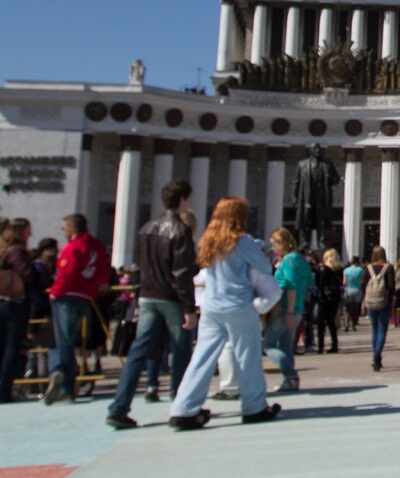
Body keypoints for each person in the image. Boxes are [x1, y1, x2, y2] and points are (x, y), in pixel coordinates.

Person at [169, 198, 281, 429]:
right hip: (238, 305)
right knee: (247, 357)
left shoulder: (207, 241)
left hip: (211, 307)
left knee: (201, 358)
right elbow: (264, 266)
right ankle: (254, 406)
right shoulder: (241, 241)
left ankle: (183, 408)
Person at [106, 180, 199, 428]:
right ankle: (182, 407)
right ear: (182, 200)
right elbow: (182, 273)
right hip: (170, 298)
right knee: (181, 351)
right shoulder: (179, 231)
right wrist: (189, 307)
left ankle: (119, 406)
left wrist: (137, 297)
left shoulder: (146, 228)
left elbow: (139, 266)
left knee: (139, 351)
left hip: (147, 296)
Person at [44, 213, 110, 405]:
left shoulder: (73, 248)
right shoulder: (96, 246)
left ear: (72, 229)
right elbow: (103, 271)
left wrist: (55, 292)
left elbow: (67, 272)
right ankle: (60, 374)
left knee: (63, 341)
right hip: (86, 297)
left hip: (67, 297)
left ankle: (63, 381)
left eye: (64, 228)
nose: (63, 231)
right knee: (67, 340)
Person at [263, 228, 313, 392]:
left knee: (268, 345)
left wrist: (290, 311)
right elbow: (308, 283)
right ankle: (289, 381)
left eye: (274, 244)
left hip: (286, 308)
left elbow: (290, 287)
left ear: (281, 242)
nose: (273, 248)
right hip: (296, 307)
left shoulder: (289, 260)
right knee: (286, 346)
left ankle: (290, 375)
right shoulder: (300, 259)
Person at [0, 219, 39, 403]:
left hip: (3, 302)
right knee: (11, 348)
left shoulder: (4, 250)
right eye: (27, 231)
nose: (30, 234)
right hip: (13, 304)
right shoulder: (16, 251)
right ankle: (4, 391)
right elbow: (28, 274)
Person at [362, 245, 395, 371]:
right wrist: (390, 299)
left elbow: (363, 284)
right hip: (384, 302)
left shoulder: (368, 268)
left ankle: (376, 356)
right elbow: (391, 286)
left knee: (374, 330)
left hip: (370, 301)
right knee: (382, 331)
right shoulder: (388, 267)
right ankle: (377, 356)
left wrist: (364, 299)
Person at [315, 248, 344, 353]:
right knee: (331, 322)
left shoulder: (324, 269)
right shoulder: (339, 270)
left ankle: (320, 346)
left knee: (321, 323)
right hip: (335, 299)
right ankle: (334, 344)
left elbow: (320, 285)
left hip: (324, 299)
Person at [342, 255, 364, 331]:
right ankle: (354, 324)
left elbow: (344, 282)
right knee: (355, 308)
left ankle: (346, 324)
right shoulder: (361, 270)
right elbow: (362, 281)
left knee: (347, 308)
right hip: (357, 290)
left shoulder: (346, 270)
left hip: (348, 290)